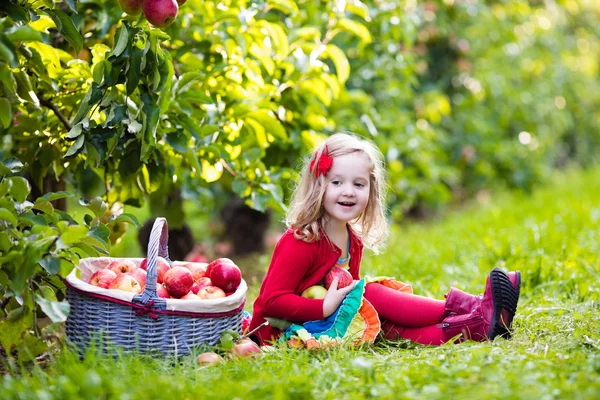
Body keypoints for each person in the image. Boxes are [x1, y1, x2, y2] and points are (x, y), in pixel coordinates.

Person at [247, 133, 520, 347]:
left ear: (371, 191)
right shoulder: (302, 240)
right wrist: (324, 306)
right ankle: (472, 306)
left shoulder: (352, 241)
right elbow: (271, 301)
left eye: (358, 184)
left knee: (388, 325)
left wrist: (339, 309)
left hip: (328, 325)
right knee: (370, 293)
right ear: (319, 185)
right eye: (337, 182)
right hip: (280, 333)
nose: (349, 192)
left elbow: (349, 297)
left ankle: (475, 327)